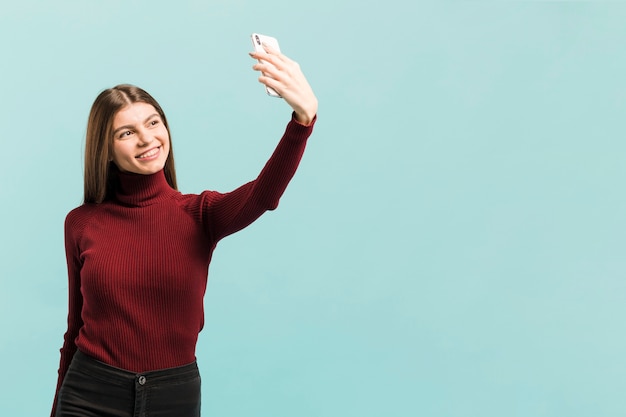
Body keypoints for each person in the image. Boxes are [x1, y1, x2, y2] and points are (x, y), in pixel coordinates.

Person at [51, 43, 318, 417]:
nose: (146, 139)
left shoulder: (199, 214)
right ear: (107, 150)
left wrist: (302, 122)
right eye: (126, 133)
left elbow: (263, 195)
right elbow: (74, 328)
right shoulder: (81, 223)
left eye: (153, 123)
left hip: (171, 396)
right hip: (90, 392)